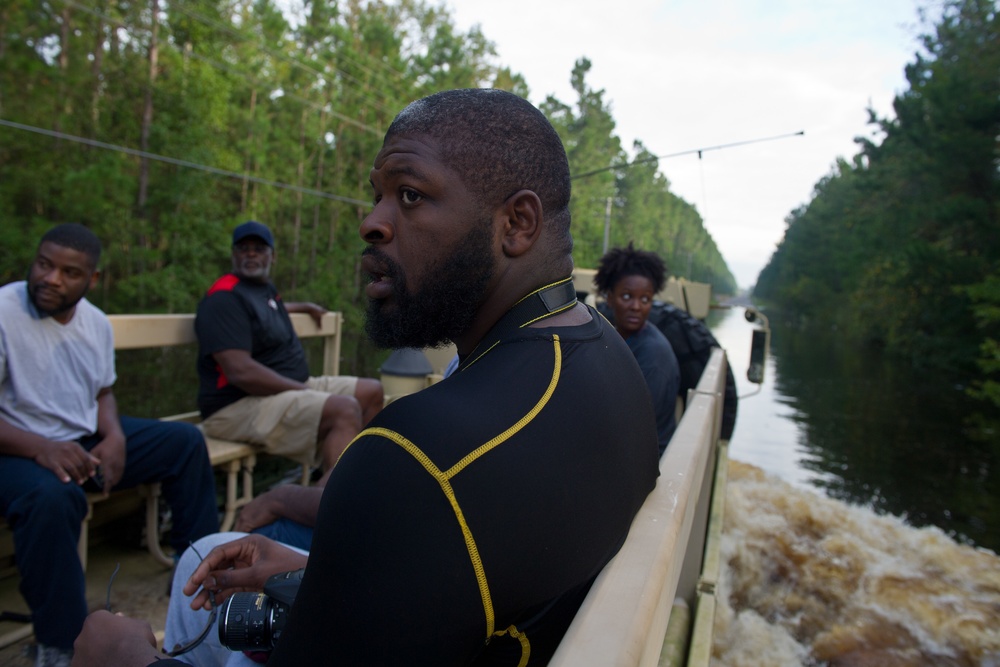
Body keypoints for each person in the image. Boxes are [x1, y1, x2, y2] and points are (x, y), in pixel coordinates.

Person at [74, 88, 660, 667]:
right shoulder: (610, 359)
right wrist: (315, 573)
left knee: (185, 580)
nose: (371, 223)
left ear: (517, 223)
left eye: (409, 195)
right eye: (377, 196)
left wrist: (126, 660)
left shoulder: (414, 454)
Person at [0, 223, 219, 667]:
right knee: (51, 497)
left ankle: (196, 576)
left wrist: (115, 436)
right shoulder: (4, 310)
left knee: (184, 441)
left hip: (80, 435)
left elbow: (102, 392)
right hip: (15, 445)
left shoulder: (94, 323)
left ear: (92, 279)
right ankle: (59, 645)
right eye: (44, 264)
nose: (52, 278)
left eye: (69, 272)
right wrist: (42, 447)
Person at [194, 220, 384, 482]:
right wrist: (302, 391)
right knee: (343, 409)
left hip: (284, 388)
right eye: (243, 248)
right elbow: (240, 372)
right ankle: (333, 502)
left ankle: (354, 476)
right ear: (233, 255)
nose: (251, 253)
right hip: (236, 406)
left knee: (371, 391)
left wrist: (304, 306)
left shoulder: (263, 290)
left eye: (259, 249)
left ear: (272, 256)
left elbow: (267, 310)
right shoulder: (223, 299)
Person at [594, 243, 682, 455]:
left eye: (645, 299)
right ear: (609, 297)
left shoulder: (653, 357)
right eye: (627, 296)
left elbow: (636, 430)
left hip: (649, 459)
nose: (636, 306)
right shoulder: (616, 336)